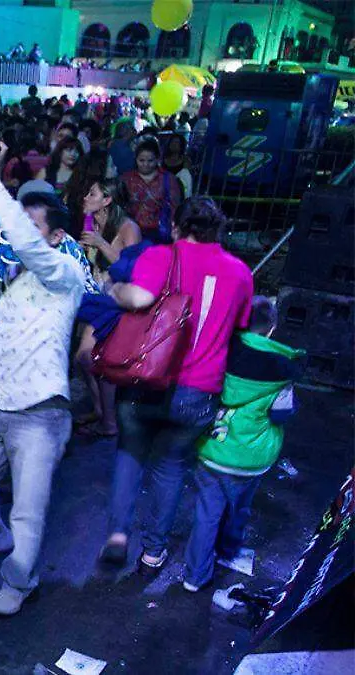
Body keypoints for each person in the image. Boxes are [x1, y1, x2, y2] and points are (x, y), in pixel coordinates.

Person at [0, 139, 87, 617]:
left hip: (42, 415)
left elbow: (27, 243)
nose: (19, 237)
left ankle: (21, 579)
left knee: (28, 513)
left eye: (32, 227)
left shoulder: (65, 271)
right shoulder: (13, 279)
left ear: (53, 238)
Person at [100, 197, 254, 570]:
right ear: (218, 229)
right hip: (198, 393)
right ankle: (154, 550)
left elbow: (138, 296)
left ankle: (119, 534)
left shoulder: (160, 256)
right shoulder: (240, 272)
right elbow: (241, 329)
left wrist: (111, 289)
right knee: (171, 467)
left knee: (130, 453)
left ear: (177, 226)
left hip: (145, 380)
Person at [181, 296, 301, 592]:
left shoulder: (220, 351)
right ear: (271, 329)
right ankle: (228, 552)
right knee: (240, 509)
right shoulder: (283, 369)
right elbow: (281, 414)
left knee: (207, 513)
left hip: (213, 449)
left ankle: (194, 577)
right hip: (251, 459)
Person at [73, 178, 142, 439]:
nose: (85, 197)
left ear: (107, 200)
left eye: (92, 193)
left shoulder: (128, 228)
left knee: (91, 359)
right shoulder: (92, 222)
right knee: (83, 361)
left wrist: (101, 243)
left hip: (119, 302)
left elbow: (134, 269)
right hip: (97, 299)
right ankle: (102, 412)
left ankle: (108, 419)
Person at [121, 139, 183, 242]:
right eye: (141, 160)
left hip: (159, 234)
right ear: (135, 159)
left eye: (150, 161)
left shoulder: (168, 179)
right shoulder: (126, 179)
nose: (145, 164)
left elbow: (175, 208)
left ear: (157, 160)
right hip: (130, 232)